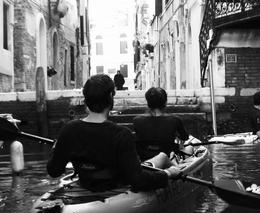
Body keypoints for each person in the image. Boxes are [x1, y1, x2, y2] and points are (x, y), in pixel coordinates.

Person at [47, 74, 181, 192]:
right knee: (162, 157)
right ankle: (174, 165)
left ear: (86, 99)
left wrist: (56, 148)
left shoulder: (69, 129)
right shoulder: (122, 134)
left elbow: (54, 171)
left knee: (159, 158)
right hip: (114, 186)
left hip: (87, 183)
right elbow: (138, 180)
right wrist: (167, 173)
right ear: (111, 97)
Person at [133, 87, 190, 163]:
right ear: (165, 102)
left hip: (145, 158)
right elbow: (185, 137)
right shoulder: (175, 120)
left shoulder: (137, 120)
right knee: (189, 148)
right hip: (168, 157)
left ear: (148, 103)